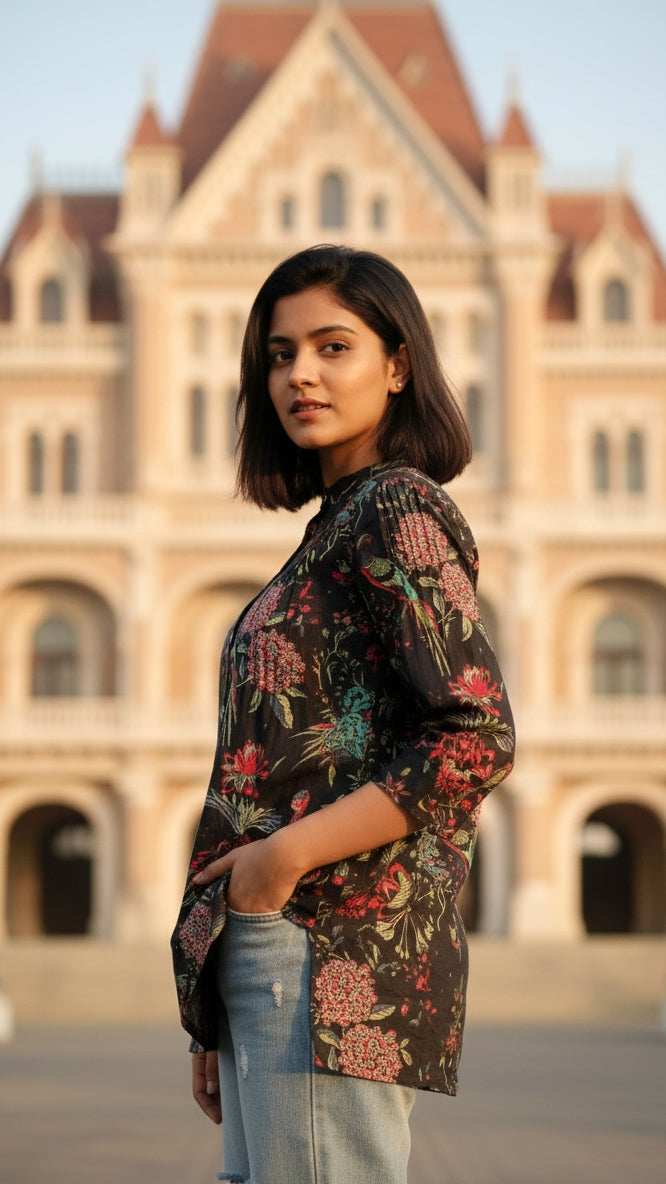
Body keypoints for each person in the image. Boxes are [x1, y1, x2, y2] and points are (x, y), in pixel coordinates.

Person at [171, 244, 515, 1184]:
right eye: (280, 355)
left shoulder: (395, 507)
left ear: (398, 365)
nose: (300, 375)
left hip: (329, 952)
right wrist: (217, 987)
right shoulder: (337, 522)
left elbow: (474, 737)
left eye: (333, 347)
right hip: (277, 947)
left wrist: (279, 864)